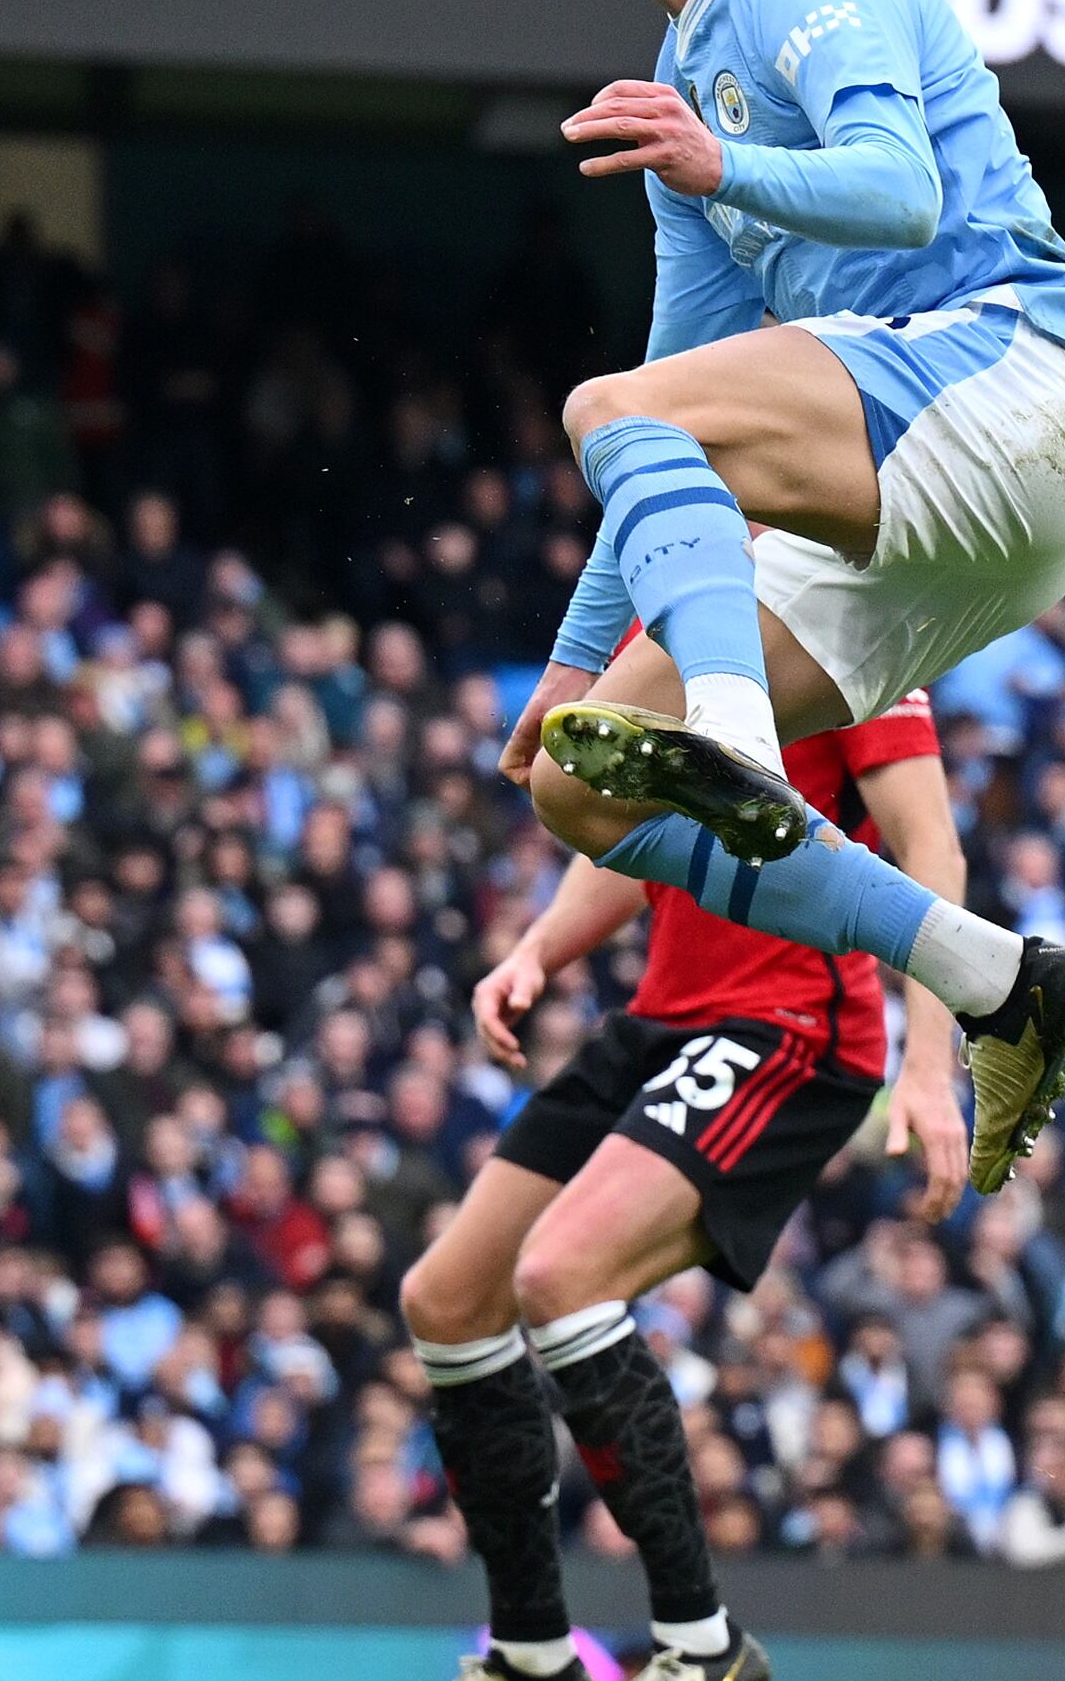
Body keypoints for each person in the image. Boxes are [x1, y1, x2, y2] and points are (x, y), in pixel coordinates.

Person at [490, 0, 1065, 1192]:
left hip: (1015, 376)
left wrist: (720, 167)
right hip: (926, 492)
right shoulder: (679, 72)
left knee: (613, 410)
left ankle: (737, 734)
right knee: (580, 790)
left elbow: (900, 192)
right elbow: (663, 415)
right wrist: (576, 666)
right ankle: (993, 975)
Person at [406, 694, 969, 1681]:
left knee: (561, 1273)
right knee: (446, 1300)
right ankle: (533, 1649)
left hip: (793, 1025)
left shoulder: (856, 639)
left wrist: (928, 1063)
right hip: (661, 1018)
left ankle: (705, 1649)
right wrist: (540, 946)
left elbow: (932, 852)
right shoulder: (671, 622)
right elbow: (631, 830)